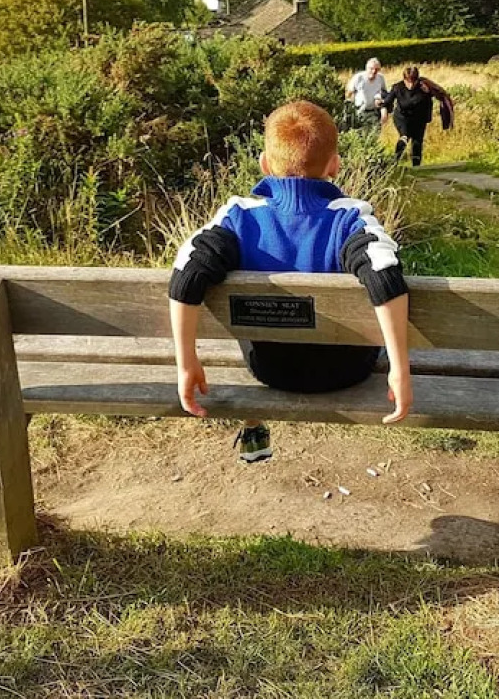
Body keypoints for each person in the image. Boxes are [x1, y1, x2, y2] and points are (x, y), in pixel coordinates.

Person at [168, 100, 412, 463]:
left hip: (270, 369)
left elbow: (186, 273)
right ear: (334, 165)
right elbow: (384, 273)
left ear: (264, 164)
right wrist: (400, 369)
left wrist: (186, 362)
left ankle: (254, 435)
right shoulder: (350, 218)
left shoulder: (238, 217)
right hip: (349, 371)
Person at [382, 66, 453, 167]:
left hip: (419, 118)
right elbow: (387, 101)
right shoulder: (397, 87)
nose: (411, 85)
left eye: (413, 82)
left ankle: (416, 167)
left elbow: (441, 95)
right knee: (404, 137)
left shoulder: (424, 86)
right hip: (402, 118)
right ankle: (395, 162)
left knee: (417, 142)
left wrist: (429, 92)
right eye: (408, 82)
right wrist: (384, 110)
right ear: (404, 79)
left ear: (417, 80)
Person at [345, 58, 387, 130]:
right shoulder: (359, 77)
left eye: (376, 69)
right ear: (366, 68)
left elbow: (384, 93)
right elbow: (349, 93)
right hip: (359, 112)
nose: (374, 71)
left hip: (374, 112)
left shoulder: (380, 78)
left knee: (374, 133)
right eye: (371, 69)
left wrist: (382, 107)